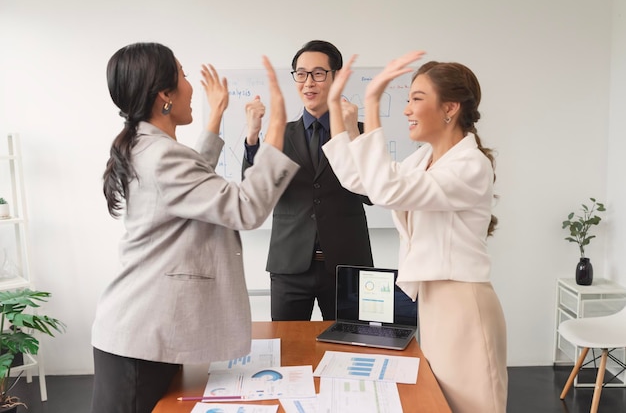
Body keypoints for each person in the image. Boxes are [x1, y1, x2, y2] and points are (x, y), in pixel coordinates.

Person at [91, 42, 299, 413]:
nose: (191, 85)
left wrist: (216, 115)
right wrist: (278, 129)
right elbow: (245, 208)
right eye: (183, 76)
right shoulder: (160, 155)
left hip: (142, 331)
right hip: (141, 337)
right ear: (164, 96)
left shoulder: (145, 146)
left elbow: (189, 188)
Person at [322, 52, 508, 413]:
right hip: (435, 303)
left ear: (450, 108)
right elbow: (362, 181)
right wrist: (336, 113)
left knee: (474, 406)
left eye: (416, 99)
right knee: (442, 404)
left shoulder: (470, 165)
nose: (407, 110)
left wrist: (373, 103)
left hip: (464, 305)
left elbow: (389, 190)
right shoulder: (422, 160)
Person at [242, 40, 373, 321]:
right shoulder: (280, 134)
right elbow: (255, 192)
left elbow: (372, 194)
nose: (308, 83)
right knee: (286, 355)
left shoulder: (360, 131)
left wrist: (354, 137)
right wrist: (252, 137)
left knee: (350, 351)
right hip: (289, 265)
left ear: (336, 78)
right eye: (301, 74)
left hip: (347, 266)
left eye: (318, 73)